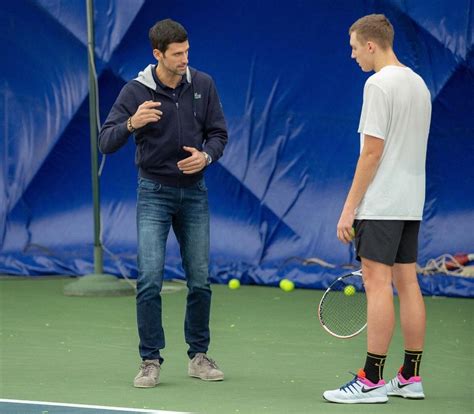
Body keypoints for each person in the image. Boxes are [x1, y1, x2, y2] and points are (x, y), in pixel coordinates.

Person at [99, 18, 228, 388]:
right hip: (153, 193)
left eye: (187, 51)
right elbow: (105, 141)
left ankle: (199, 356)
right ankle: (150, 360)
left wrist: (206, 157)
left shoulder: (203, 85)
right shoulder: (135, 92)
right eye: (177, 54)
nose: (185, 58)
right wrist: (131, 124)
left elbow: (219, 134)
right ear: (158, 55)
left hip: (195, 194)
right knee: (150, 279)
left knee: (200, 280)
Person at [323, 14, 431, 404]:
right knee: (408, 283)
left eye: (354, 47)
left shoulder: (378, 85)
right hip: (410, 204)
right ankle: (410, 377)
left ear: (371, 45)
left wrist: (348, 209)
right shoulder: (419, 84)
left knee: (378, 285)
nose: (352, 55)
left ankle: (370, 381)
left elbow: (371, 152)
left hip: (382, 204)